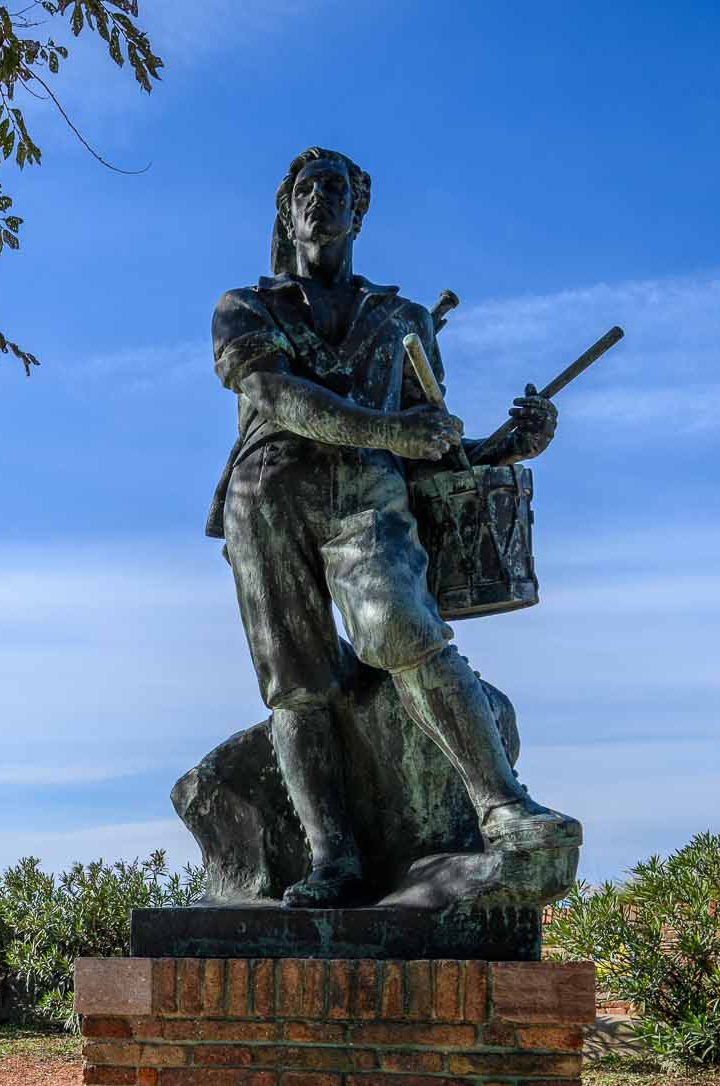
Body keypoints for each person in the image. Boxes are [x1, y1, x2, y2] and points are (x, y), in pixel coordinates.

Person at [208, 146, 577, 907]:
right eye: (305, 189)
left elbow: (428, 448)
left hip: (366, 493)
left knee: (403, 629)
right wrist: (395, 430)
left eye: (334, 187)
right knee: (297, 687)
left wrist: (505, 446)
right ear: (286, 210)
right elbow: (280, 400)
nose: (319, 199)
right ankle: (332, 858)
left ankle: (503, 807)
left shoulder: (403, 319)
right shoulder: (246, 307)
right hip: (266, 498)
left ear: (359, 209)